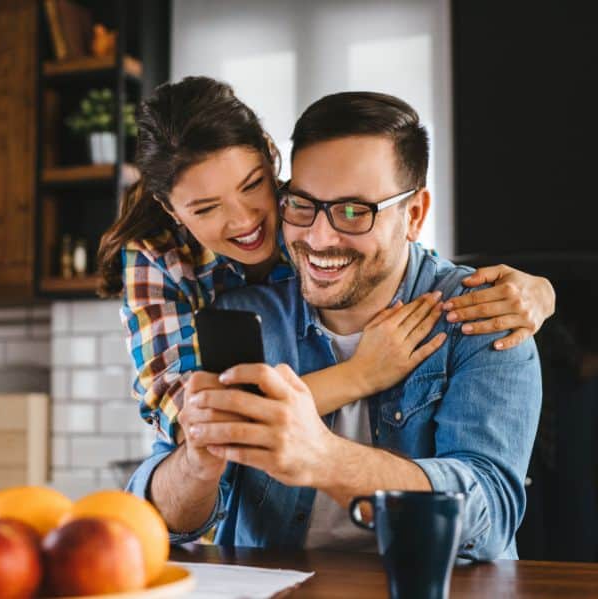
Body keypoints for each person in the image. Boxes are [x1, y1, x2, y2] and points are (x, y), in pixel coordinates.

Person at [128, 91, 542, 561]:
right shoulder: (236, 316)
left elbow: (490, 514)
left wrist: (325, 459)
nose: (319, 239)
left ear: (415, 215)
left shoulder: (486, 313)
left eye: (353, 211)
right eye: (302, 205)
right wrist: (196, 467)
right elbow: (164, 521)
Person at [98, 77, 554, 446]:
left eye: (254, 184)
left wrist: (542, 291)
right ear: (171, 208)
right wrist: (360, 375)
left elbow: (391, 254)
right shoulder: (155, 260)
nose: (245, 221)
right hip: (231, 502)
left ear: (270, 157)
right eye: (205, 209)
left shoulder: (303, 210)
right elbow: (196, 423)